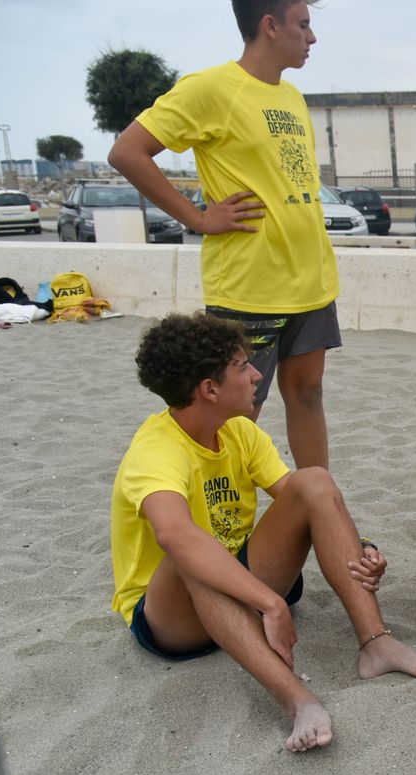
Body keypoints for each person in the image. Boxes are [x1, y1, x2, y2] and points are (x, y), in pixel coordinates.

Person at [109, 313, 416, 753]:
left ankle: (377, 643)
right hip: (170, 616)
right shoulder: (156, 451)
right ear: (209, 389)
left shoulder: (237, 431)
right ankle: (296, 699)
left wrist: (359, 545)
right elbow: (176, 537)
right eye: (241, 366)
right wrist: (270, 602)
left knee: (314, 480)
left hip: (240, 582)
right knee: (192, 552)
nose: (256, 374)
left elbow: (303, 499)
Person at [109, 0, 339, 470]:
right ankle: (227, 523)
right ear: (270, 26)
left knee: (308, 395)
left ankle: (321, 504)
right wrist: (197, 218)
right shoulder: (210, 88)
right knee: (238, 412)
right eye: (304, 25)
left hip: (311, 282)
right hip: (249, 286)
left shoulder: (292, 96)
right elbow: (128, 151)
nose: (312, 38)